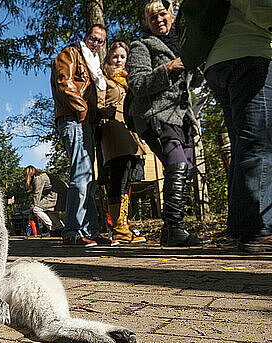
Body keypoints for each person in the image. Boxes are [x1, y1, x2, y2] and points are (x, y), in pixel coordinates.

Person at [126, 0, 210, 247]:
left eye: (162, 14)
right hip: (155, 114)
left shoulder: (183, 43)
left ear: (172, 15)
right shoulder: (141, 45)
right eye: (153, 18)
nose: (159, 20)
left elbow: (192, 82)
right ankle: (173, 229)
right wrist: (169, 67)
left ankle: (174, 230)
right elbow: (138, 84)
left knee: (185, 168)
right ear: (147, 23)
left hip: (182, 115)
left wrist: (198, 67)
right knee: (177, 164)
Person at [201, 1, 272, 252]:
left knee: (244, 144)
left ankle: (242, 226)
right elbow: (258, 6)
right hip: (247, 51)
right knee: (258, 143)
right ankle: (255, 229)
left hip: (218, 59)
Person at [51, 23, 117, 247]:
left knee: (88, 178)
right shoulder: (70, 53)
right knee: (80, 175)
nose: (96, 43)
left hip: (85, 121)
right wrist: (81, 111)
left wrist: (98, 112)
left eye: (100, 41)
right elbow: (65, 83)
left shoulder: (93, 64)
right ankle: (72, 231)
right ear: (86, 37)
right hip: (74, 119)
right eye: (93, 38)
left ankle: (90, 230)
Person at [98, 42, 148, 244]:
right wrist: (105, 111)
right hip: (114, 132)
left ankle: (123, 225)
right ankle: (117, 228)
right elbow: (98, 104)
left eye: (122, 56)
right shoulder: (104, 78)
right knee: (117, 178)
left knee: (128, 179)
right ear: (108, 57)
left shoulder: (129, 80)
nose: (119, 60)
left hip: (131, 133)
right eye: (115, 56)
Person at [23, 166, 66, 236]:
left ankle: (53, 228)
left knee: (36, 209)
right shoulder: (43, 176)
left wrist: (31, 211)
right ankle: (61, 228)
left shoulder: (38, 178)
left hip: (56, 194)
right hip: (63, 193)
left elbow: (37, 195)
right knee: (51, 212)